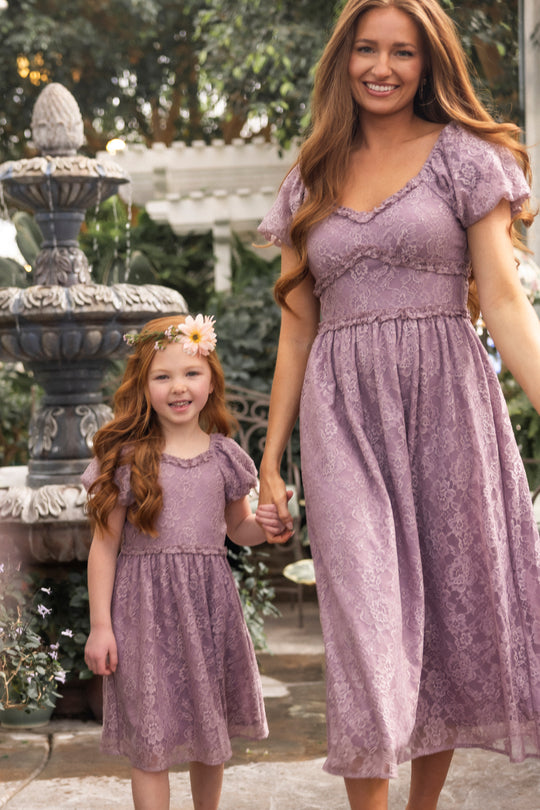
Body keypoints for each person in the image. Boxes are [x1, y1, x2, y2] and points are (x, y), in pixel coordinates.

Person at [256, 1, 540, 808]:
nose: (382, 67)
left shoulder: (466, 159)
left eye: (404, 53)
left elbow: (507, 302)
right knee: (367, 620)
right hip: (343, 415)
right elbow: (295, 331)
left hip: (449, 405)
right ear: (344, 58)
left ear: (429, 64)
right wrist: (272, 461)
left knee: (449, 616)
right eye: (368, 49)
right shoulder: (310, 176)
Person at [82, 314, 284, 810]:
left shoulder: (224, 456)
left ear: (211, 378)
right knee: (150, 740)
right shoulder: (127, 459)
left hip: (208, 612)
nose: (179, 387)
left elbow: (239, 530)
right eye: (162, 376)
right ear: (143, 385)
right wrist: (100, 626)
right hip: (142, 615)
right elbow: (104, 546)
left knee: (207, 731)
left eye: (191, 374)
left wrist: (271, 527)